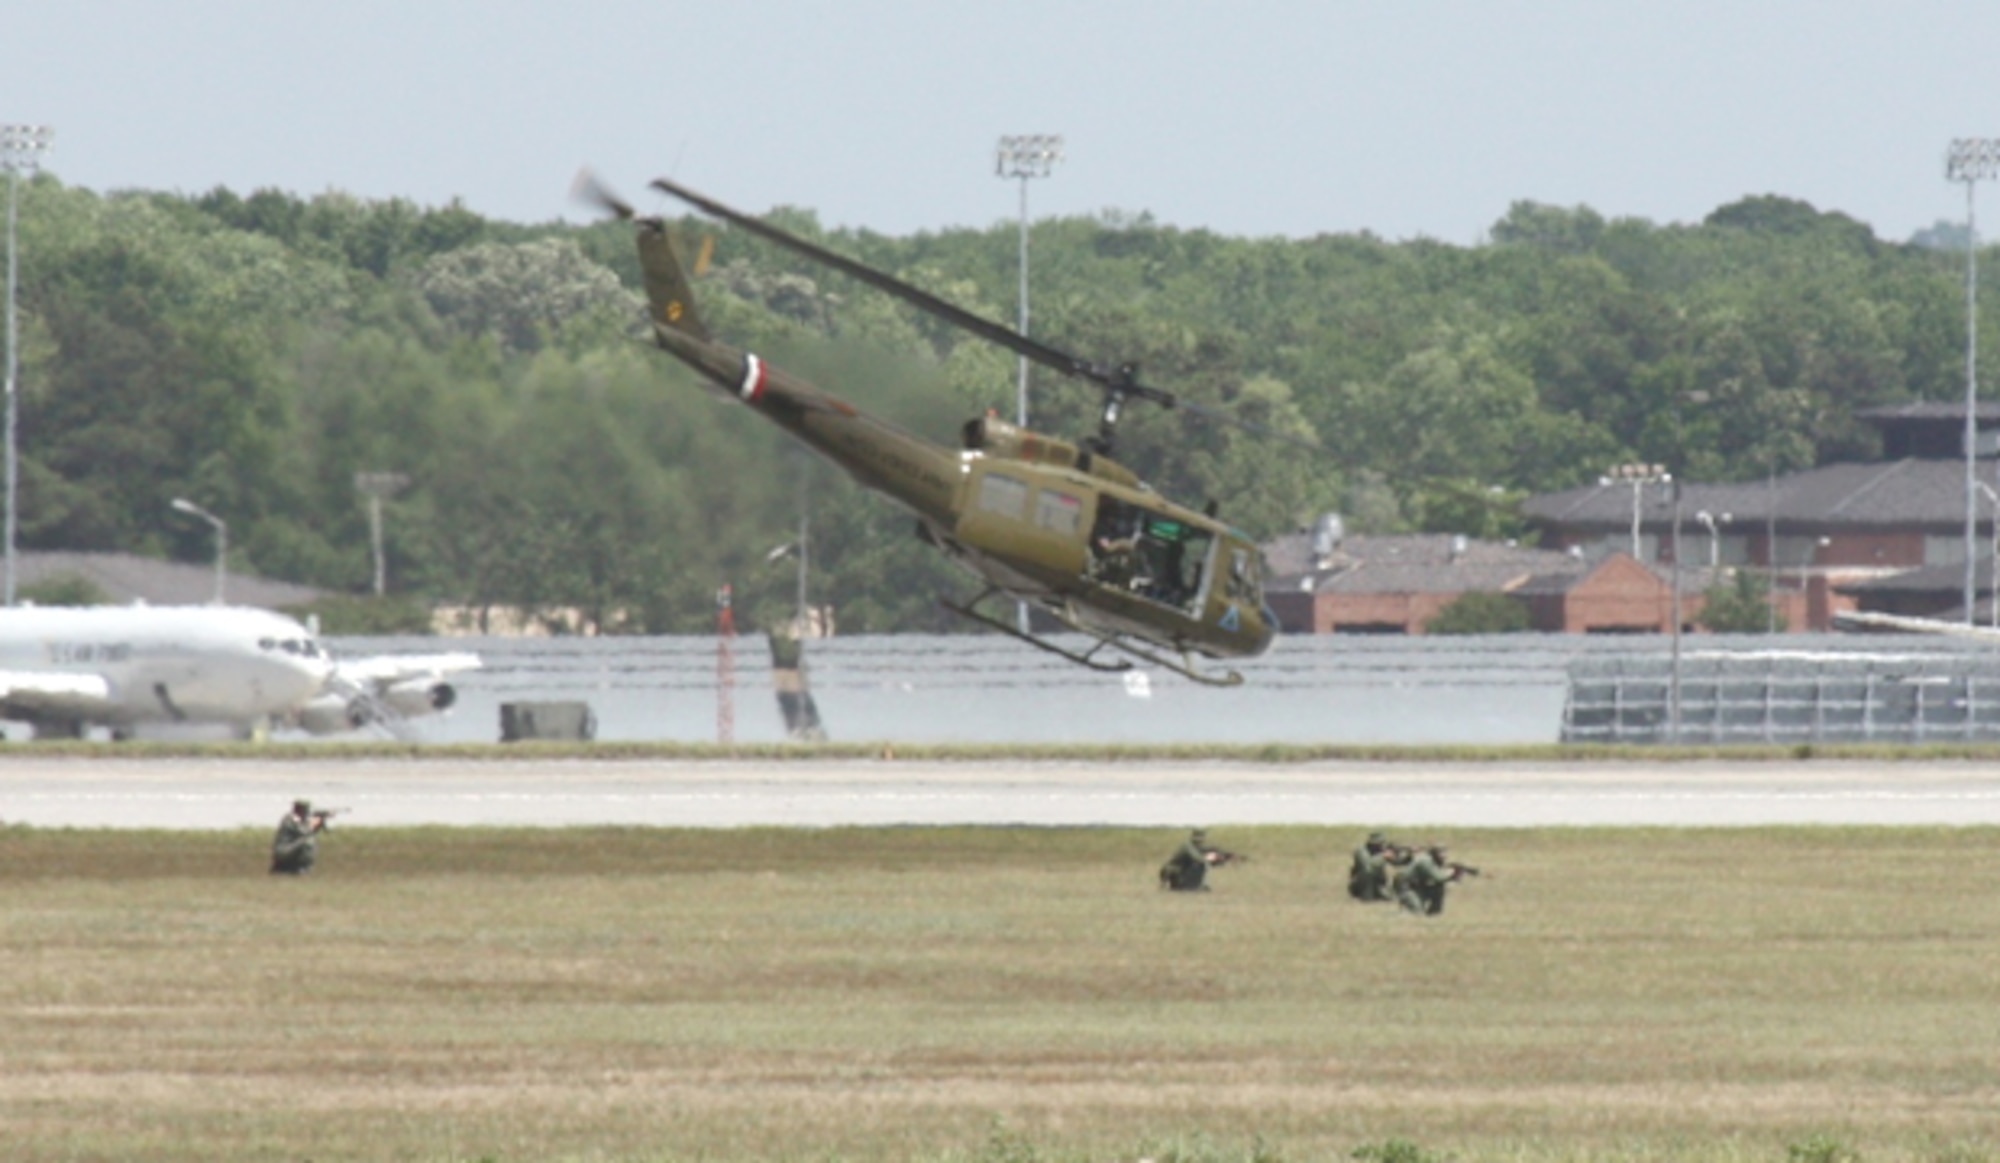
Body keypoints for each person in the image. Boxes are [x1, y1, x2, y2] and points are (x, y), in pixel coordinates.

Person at [1394, 844, 1473, 916]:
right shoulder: (1425, 861)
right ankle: (1407, 907)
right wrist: (1452, 873)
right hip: (1406, 886)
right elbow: (1438, 877)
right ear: (1434, 853)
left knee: (1438, 888)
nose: (1444, 856)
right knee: (1417, 914)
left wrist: (1454, 875)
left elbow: (1437, 879)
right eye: (1441, 853)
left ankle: (1434, 913)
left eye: (1445, 852)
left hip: (1417, 886)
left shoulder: (1433, 861)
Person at [1159, 828, 1244, 891]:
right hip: (1172, 872)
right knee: (1199, 865)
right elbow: (1198, 859)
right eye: (1199, 839)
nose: (1200, 841)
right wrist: (1216, 857)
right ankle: (1191, 887)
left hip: (1180, 872)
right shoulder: (1188, 847)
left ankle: (1188, 886)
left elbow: (1214, 849)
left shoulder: (1198, 847)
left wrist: (1228, 855)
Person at [270, 798, 328, 875]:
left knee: (310, 841)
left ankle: (302, 868)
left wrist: (317, 824)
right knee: (307, 842)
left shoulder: (300, 820)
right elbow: (303, 832)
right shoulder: (290, 819)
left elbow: (307, 832)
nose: (307, 812)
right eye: (305, 809)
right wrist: (313, 825)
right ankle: (299, 869)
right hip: (283, 851)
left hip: (290, 850)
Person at [1347, 831, 1407, 902]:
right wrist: (1383, 856)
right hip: (1360, 884)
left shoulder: (1381, 851)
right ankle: (1367, 897)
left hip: (1377, 884)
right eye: (1379, 843)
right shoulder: (1361, 851)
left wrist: (1407, 856)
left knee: (1389, 898)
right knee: (1368, 873)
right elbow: (1367, 866)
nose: (1381, 845)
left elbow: (1397, 863)